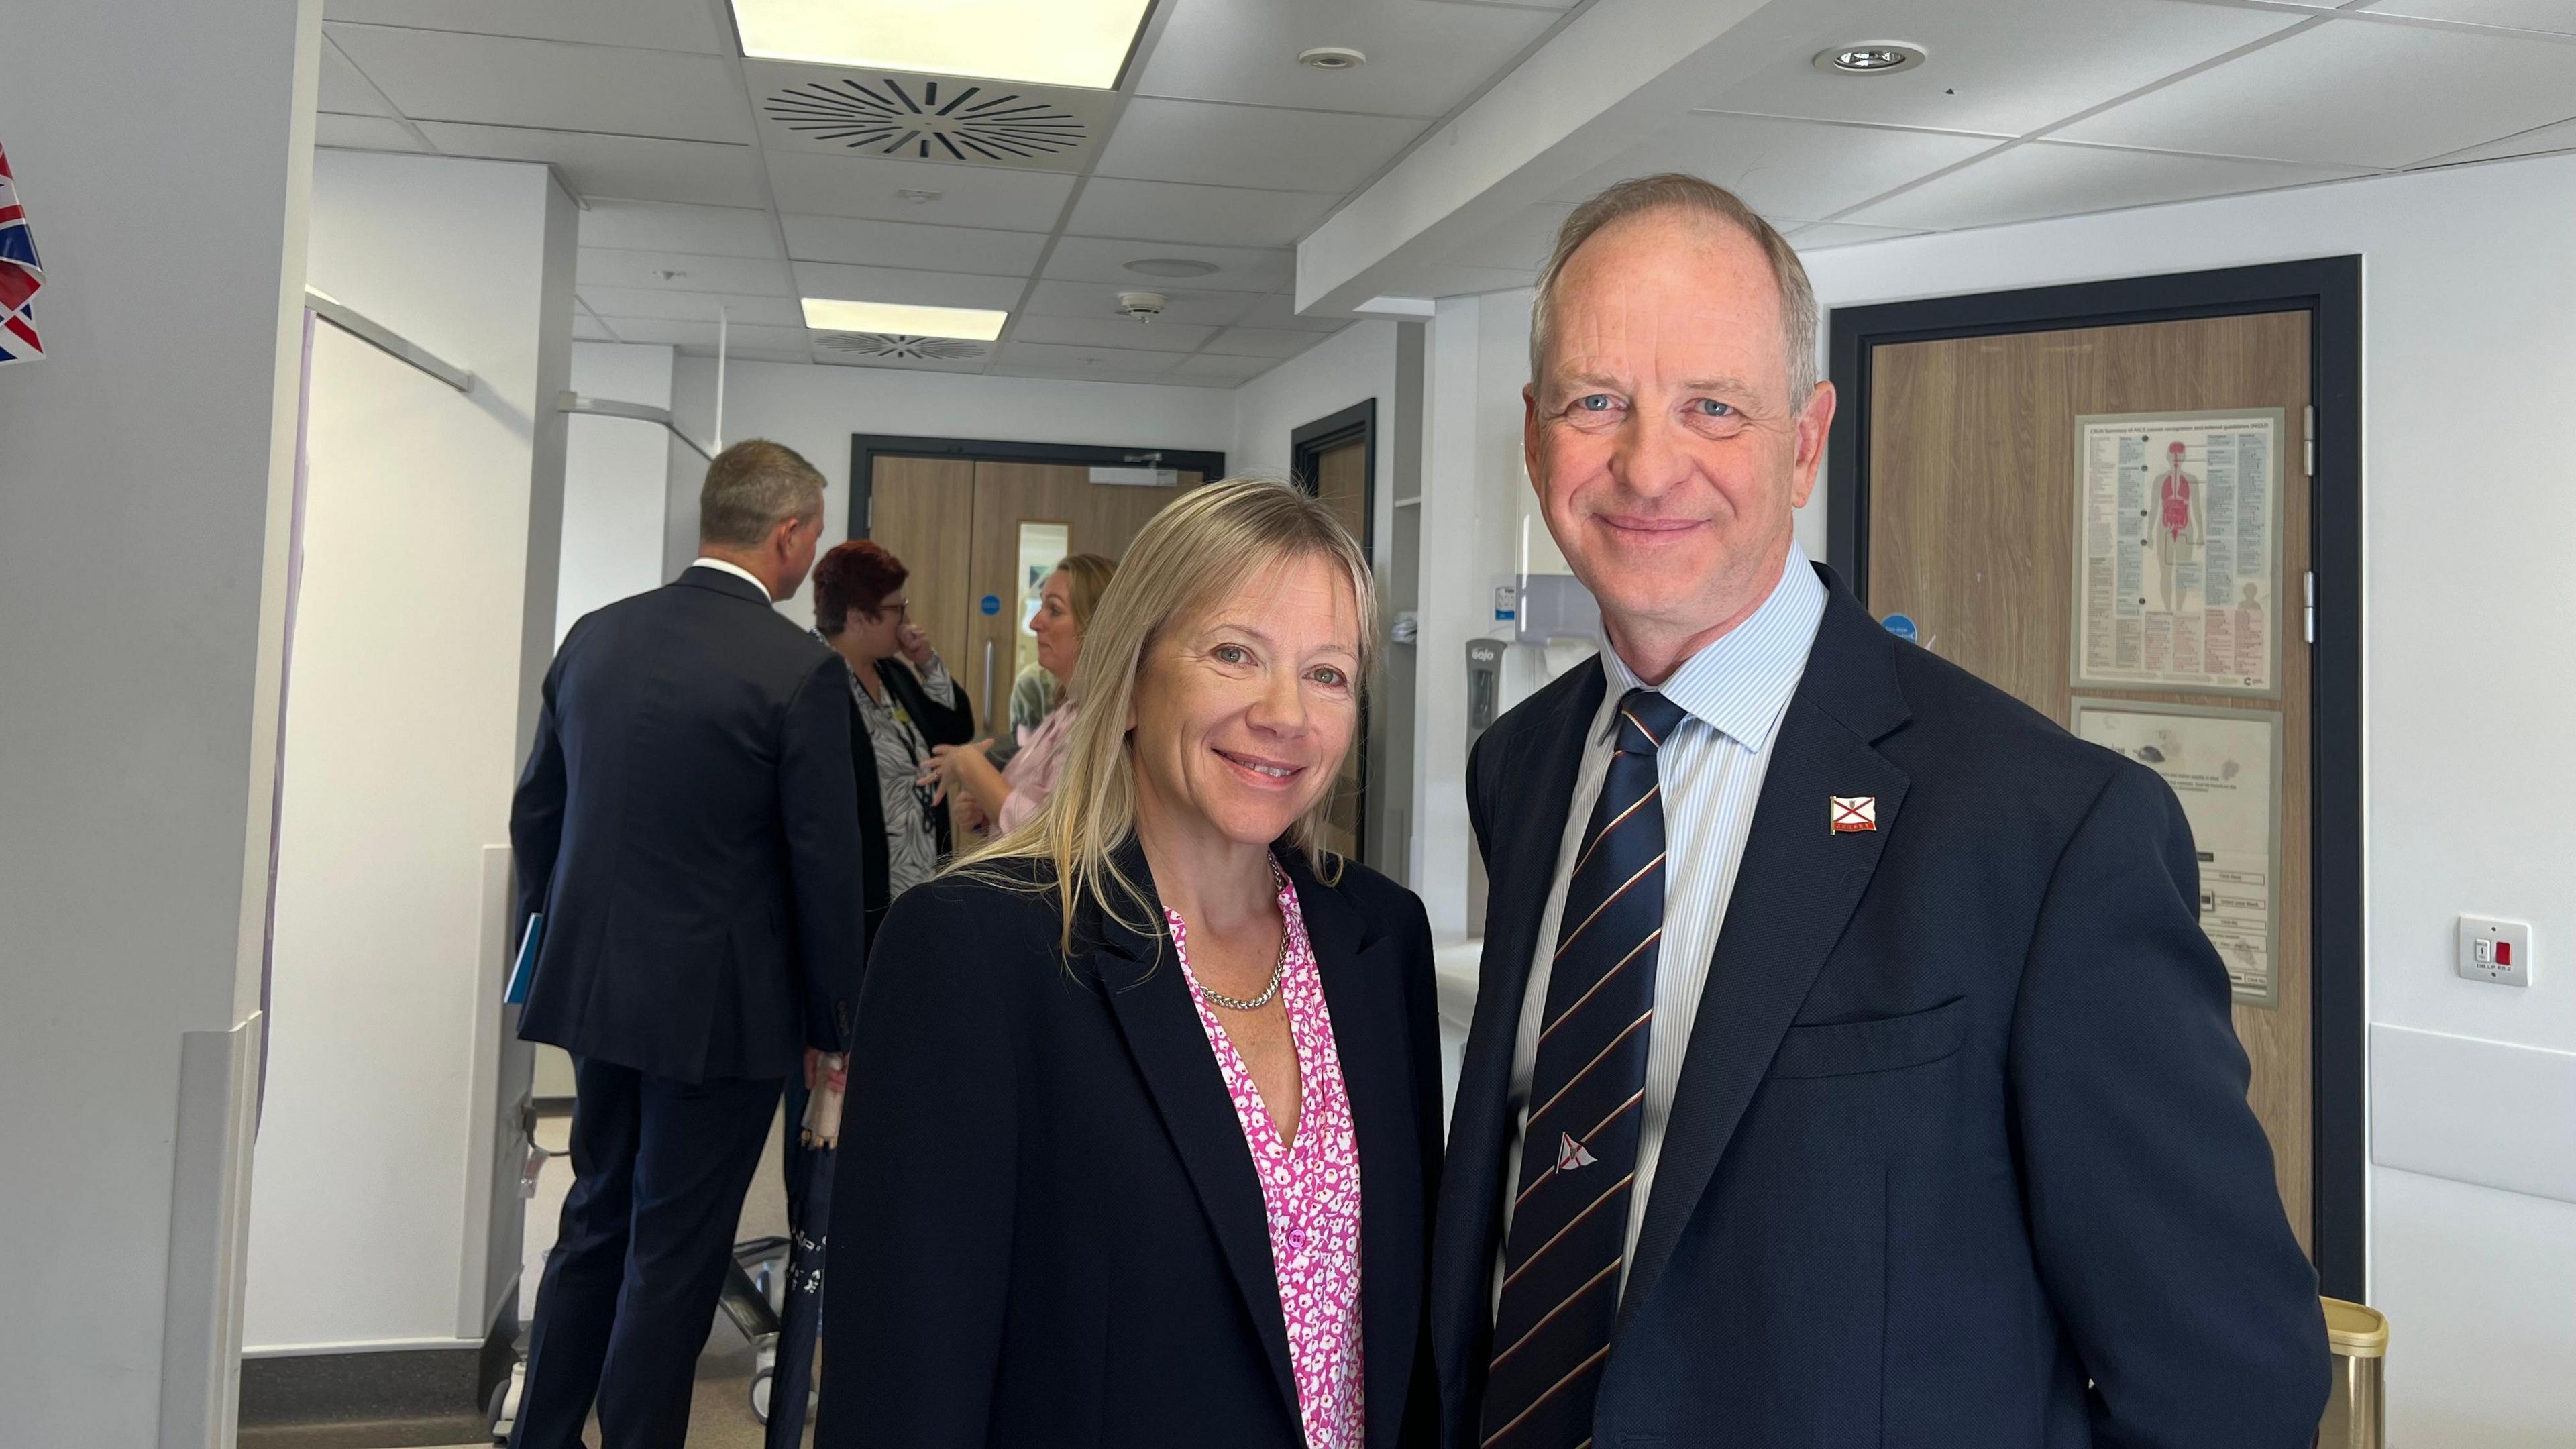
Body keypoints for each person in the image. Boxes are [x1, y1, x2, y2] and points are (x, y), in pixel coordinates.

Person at [1432, 174, 2328, 1448]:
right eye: (1597, 403)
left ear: (1805, 441)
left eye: (1714, 408)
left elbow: (2228, 1385)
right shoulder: (1522, 769)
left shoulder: (2048, 835)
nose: (1647, 462)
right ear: (1535, 439)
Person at [820, 479, 1443, 1448]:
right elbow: (905, 1379)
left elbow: (1405, 1343)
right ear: (1128, 681)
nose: (1287, 714)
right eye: (1235, 654)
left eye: (1329, 674)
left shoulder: (1380, 941)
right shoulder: (975, 952)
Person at [506, 439, 865, 1449]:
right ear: (789, 534)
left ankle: (540, 1436)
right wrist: (834, 1025)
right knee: (674, 1247)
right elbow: (823, 873)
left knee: (596, 1217)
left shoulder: (595, 639)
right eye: (813, 532)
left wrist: (556, 944)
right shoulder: (800, 671)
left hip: (593, 994)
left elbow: (540, 812)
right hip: (724, 1013)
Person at [777, 539, 975, 1228]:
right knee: (834, 1092)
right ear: (858, 615)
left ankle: (879, 1223)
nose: (906, 621)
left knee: (892, 1087)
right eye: (895, 611)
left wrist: (925, 661)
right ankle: (822, 1235)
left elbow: (957, 732)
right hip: (853, 922)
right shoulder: (812, 680)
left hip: (913, 913)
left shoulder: (894, 679)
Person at [919, 551, 1116, 837]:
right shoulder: (1068, 712)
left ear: (1096, 627)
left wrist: (972, 767)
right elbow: (1033, 809)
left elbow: (1057, 840)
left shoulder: (1105, 726)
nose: (1036, 623)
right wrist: (986, 812)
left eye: (1055, 610)